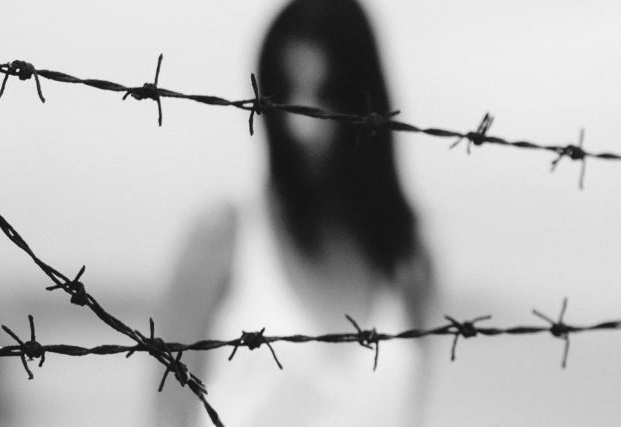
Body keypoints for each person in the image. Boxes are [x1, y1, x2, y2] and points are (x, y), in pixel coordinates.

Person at [157, 0, 435, 425]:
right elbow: (165, 417)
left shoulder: (407, 259)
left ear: (367, 106)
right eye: (284, 94)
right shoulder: (222, 238)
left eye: (327, 95)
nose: (301, 125)